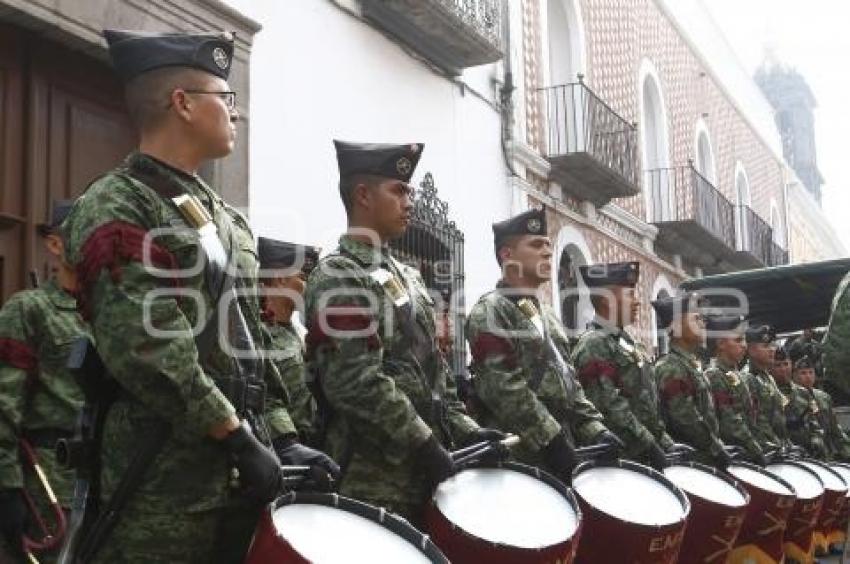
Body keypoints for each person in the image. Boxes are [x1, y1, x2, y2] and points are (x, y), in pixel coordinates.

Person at [61, 30, 337, 563]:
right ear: (182, 103)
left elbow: (251, 342)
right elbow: (148, 349)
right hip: (161, 487)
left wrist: (280, 436)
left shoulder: (227, 219)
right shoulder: (120, 204)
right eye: (224, 98)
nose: (235, 112)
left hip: (236, 485)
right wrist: (235, 436)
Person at [303, 141, 502, 524]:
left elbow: (434, 371)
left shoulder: (408, 277)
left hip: (423, 475)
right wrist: (425, 441)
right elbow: (354, 382)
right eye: (398, 190)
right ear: (362, 195)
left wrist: (467, 430)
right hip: (369, 480)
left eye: (410, 191)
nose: (409, 201)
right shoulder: (339, 276)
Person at [464, 208, 623, 482]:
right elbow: (505, 389)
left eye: (549, 245)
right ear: (507, 255)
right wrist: (553, 440)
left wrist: (595, 428)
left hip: (560, 455)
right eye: (536, 245)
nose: (548, 252)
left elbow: (568, 381)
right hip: (519, 460)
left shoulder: (546, 313)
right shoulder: (490, 311)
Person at [0, 201, 88, 562]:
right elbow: (4, 402)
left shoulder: (117, 316)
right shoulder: (29, 310)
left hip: (111, 485)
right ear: (55, 244)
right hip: (50, 486)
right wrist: (6, 487)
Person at [570, 262, 676, 469]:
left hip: (642, 455)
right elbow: (610, 406)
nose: (637, 303)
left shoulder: (627, 342)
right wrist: (649, 444)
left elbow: (645, 405)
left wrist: (665, 442)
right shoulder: (594, 344)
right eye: (630, 295)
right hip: (618, 460)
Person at [653, 293, 731, 468]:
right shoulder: (671, 367)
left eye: (703, 318)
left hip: (706, 458)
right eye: (696, 318)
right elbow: (686, 420)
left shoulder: (690, 364)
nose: (703, 323)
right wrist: (716, 448)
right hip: (690, 463)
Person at [257, 237, 319, 446]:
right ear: (280, 278)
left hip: (308, 444)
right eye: (303, 277)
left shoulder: (297, 333)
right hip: (277, 446)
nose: (308, 286)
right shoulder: (256, 333)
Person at [704, 315, 766, 465]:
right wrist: (756, 449)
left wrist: (764, 444)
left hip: (750, 451)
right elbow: (730, 422)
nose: (744, 345)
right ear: (720, 344)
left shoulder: (739, 375)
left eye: (744, 340)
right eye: (738, 340)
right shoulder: (714, 375)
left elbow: (754, 418)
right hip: (736, 456)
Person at [773, 347, 827, 459]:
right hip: (785, 454)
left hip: (809, 453)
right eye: (778, 365)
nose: (783, 369)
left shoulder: (803, 393)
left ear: (791, 365)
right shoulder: (770, 394)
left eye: (786, 364)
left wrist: (816, 440)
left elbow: (815, 424)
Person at [794, 356, 850, 461]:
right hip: (805, 453)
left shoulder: (824, 397)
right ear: (795, 376)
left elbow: (835, 429)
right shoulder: (791, 398)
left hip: (827, 452)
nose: (808, 376)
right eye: (803, 373)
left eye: (811, 372)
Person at [742, 325, 788, 453]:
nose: (772, 350)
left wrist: (786, 443)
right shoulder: (747, 378)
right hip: (764, 448)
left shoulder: (767, 377)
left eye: (772, 345)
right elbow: (757, 421)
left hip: (779, 446)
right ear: (751, 350)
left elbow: (779, 417)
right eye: (766, 346)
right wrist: (777, 446)